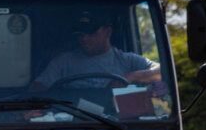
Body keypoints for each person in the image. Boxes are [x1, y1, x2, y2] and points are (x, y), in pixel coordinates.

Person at [32, 11, 161, 90]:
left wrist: (131, 77)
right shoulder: (63, 62)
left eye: (91, 32)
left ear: (108, 32)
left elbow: (161, 72)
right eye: (80, 33)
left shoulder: (127, 60)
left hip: (115, 123)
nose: (84, 38)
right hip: (75, 121)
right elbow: (37, 87)